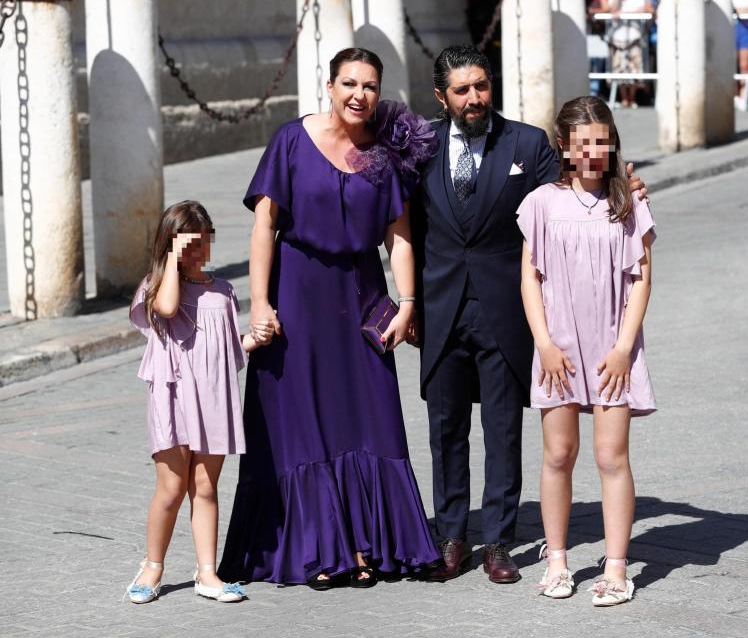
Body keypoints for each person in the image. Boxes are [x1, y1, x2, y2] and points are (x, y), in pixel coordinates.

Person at [408, 45, 647, 584]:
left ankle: (497, 540)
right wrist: (409, 302)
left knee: (501, 426)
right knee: (445, 427)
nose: (475, 98)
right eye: (463, 90)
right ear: (441, 96)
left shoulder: (527, 142)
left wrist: (625, 186)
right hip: (441, 304)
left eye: (482, 85)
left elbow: (572, 190)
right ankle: (451, 536)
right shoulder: (419, 147)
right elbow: (403, 225)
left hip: (507, 310)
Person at [217, 48, 441, 590]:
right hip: (295, 293)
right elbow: (263, 226)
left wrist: (408, 303)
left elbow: (400, 237)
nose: (358, 94)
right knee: (300, 423)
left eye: (369, 85)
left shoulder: (386, 154)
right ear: (329, 86)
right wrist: (261, 303)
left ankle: (365, 544)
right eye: (348, 83)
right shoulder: (292, 139)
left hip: (361, 297)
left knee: (370, 417)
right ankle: (320, 547)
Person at [517, 96, 656, 606]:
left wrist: (623, 349)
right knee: (558, 453)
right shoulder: (541, 203)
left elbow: (641, 278)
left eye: (603, 142)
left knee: (610, 455)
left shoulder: (629, 202)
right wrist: (544, 344)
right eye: (584, 144)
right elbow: (530, 280)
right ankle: (556, 561)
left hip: (611, 349)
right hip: (558, 347)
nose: (595, 153)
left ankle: (617, 569)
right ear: (564, 147)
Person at [126, 200, 259, 604]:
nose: (198, 252)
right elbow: (166, 308)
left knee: (205, 487)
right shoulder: (157, 287)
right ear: (171, 247)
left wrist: (255, 337)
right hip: (173, 396)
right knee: (170, 487)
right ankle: (152, 566)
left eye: (203, 242)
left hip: (213, 399)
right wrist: (172, 258)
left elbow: (227, 352)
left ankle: (207, 573)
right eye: (190, 244)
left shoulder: (223, 291)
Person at [604, 0, 654, 108]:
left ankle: (632, 98)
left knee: (635, 70)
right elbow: (609, 10)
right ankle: (624, 99)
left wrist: (623, 14)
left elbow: (648, 9)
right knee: (618, 70)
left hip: (635, 38)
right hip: (617, 40)